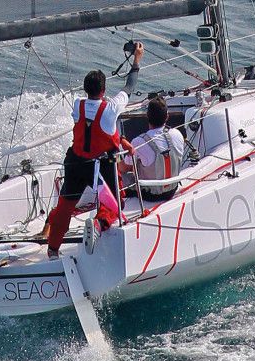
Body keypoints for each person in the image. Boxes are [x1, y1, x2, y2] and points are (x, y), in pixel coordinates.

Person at [44, 42, 144, 258]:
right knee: (115, 202)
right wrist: (136, 60)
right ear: (104, 90)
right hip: (100, 166)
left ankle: (52, 250)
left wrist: (121, 139)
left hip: (75, 162)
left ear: (86, 89)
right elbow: (129, 87)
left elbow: (97, 128)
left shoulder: (77, 105)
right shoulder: (110, 109)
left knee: (65, 206)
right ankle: (98, 225)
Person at [119, 96, 184, 201]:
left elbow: (124, 167)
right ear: (167, 117)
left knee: (117, 173)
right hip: (172, 190)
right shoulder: (177, 134)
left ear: (147, 116)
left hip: (150, 194)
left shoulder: (138, 141)